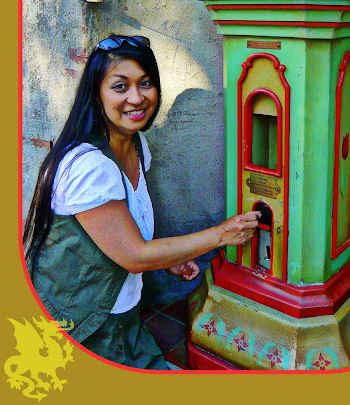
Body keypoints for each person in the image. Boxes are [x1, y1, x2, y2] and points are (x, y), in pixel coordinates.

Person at [23, 34, 259, 370]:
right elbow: (133, 255)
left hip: (123, 317)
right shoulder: (90, 166)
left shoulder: (135, 145)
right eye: (120, 86)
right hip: (80, 323)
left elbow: (126, 229)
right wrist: (221, 235)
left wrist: (167, 260)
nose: (136, 98)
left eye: (145, 83)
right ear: (96, 95)